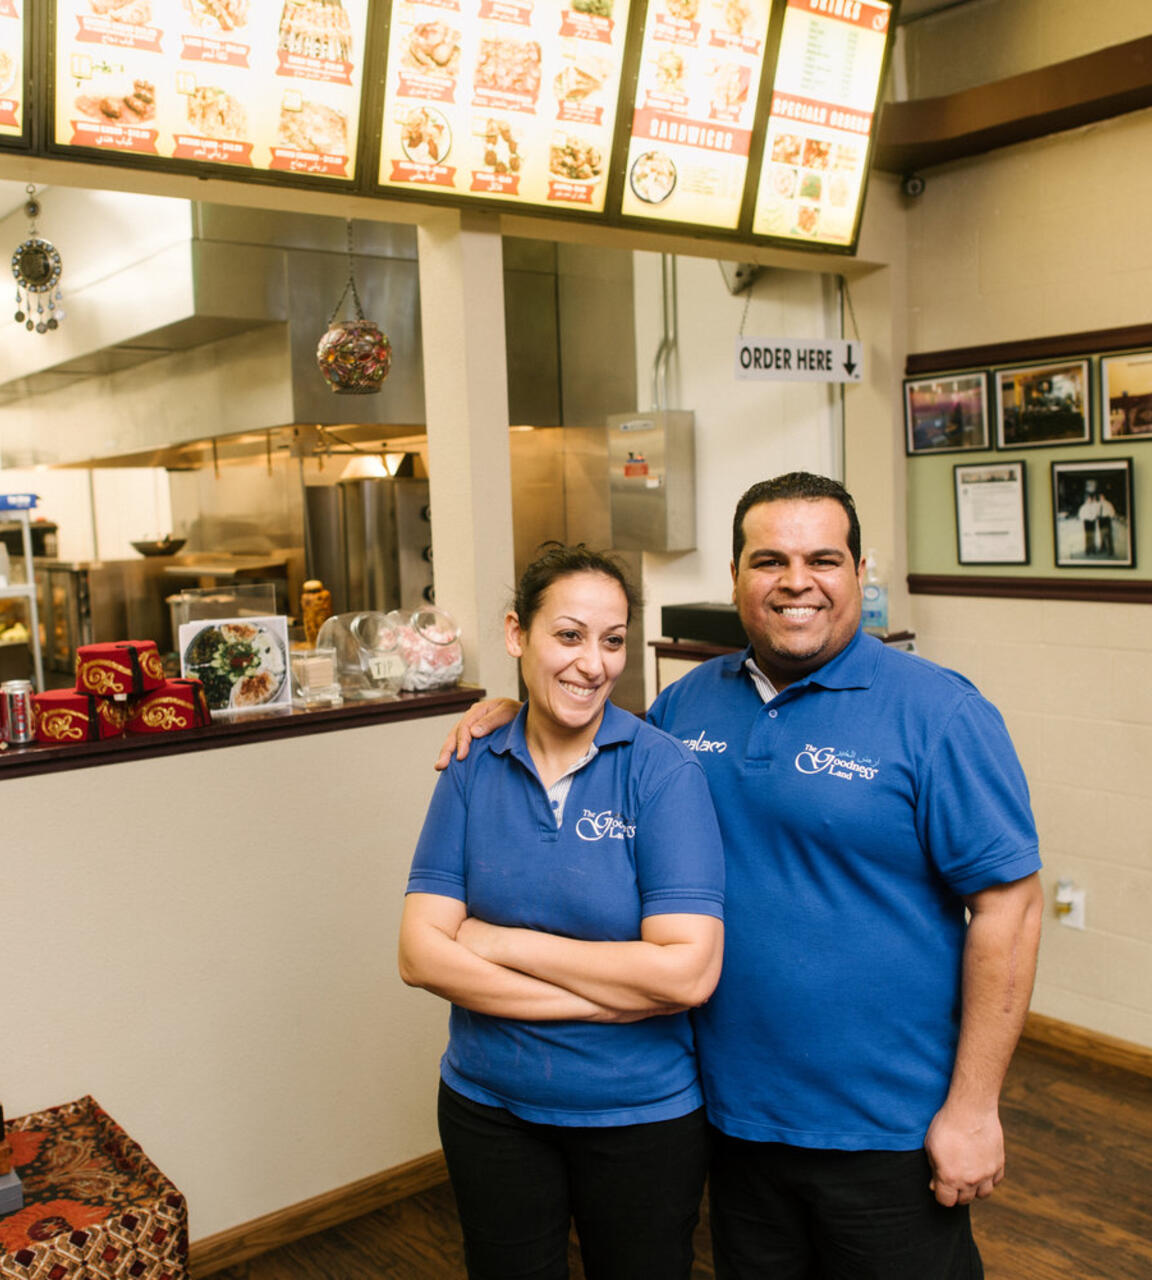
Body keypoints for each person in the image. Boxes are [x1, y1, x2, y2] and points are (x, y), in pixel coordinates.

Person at [438, 474, 1044, 1280]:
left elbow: (1012, 909)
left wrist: (973, 1109)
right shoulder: (687, 708)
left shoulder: (939, 712)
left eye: (823, 559)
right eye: (769, 560)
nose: (797, 582)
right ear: (734, 579)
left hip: (883, 1128)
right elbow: (593, 746)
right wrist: (518, 712)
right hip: (728, 1120)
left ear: (860, 573)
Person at [400, 544, 726, 1280]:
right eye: (569, 635)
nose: (593, 663)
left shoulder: (662, 771)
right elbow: (420, 953)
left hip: (640, 1118)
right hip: (490, 1112)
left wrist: (495, 942)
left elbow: (687, 973)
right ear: (519, 635)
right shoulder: (472, 763)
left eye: (612, 641)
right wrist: (609, 999)